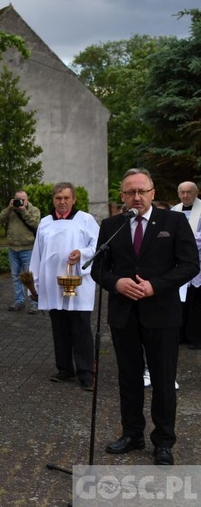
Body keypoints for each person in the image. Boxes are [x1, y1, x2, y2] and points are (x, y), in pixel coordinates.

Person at [92, 168, 199, 466]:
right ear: (123, 196)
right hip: (124, 316)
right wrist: (116, 283)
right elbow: (97, 268)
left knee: (164, 381)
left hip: (162, 314)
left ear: (152, 193)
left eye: (142, 191)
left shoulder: (173, 221)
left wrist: (155, 286)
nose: (136, 197)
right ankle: (132, 434)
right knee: (128, 378)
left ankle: (163, 441)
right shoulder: (112, 224)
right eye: (130, 192)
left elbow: (190, 265)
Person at [29, 182, 99, 390]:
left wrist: (82, 253)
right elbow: (37, 254)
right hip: (52, 284)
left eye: (66, 198)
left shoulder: (85, 220)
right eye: (58, 198)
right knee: (59, 328)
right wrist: (34, 285)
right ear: (53, 200)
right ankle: (65, 368)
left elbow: (98, 246)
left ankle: (86, 372)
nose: (62, 202)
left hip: (78, 284)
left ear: (74, 199)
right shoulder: (45, 222)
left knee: (81, 329)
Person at [0, 190, 41, 314]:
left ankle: (34, 303)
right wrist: (9, 209)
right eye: (17, 199)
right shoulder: (11, 210)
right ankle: (19, 301)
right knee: (16, 277)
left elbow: (36, 224)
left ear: (27, 200)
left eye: (23, 199)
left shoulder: (34, 210)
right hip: (13, 248)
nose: (20, 202)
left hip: (28, 248)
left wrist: (23, 211)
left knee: (31, 277)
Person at [171, 181, 201, 349]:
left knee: (197, 301)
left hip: (199, 264)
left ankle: (196, 337)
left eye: (189, 192)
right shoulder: (175, 210)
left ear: (196, 193)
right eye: (182, 192)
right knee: (181, 300)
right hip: (180, 263)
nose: (185, 196)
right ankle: (180, 334)